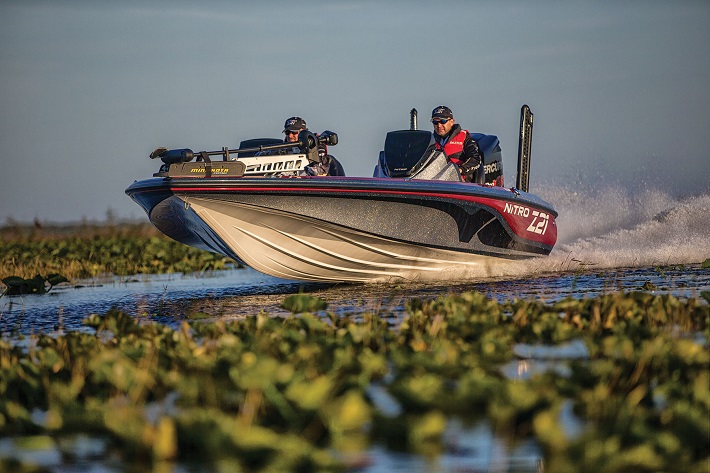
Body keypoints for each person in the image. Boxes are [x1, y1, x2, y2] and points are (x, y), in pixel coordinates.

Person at [430, 106, 482, 182]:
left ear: (451, 122)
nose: (439, 125)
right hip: (435, 181)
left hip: (459, 182)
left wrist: (460, 170)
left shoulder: (464, 138)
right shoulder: (430, 141)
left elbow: (475, 159)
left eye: (443, 121)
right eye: (435, 122)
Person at [280, 116, 346, 176]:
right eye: (287, 132)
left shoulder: (315, 143)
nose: (290, 136)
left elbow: (320, 167)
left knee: (331, 159)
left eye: (294, 132)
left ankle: (341, 186)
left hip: (312, 180)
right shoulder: (280, 148)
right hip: (287, 180)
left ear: (303, 132)